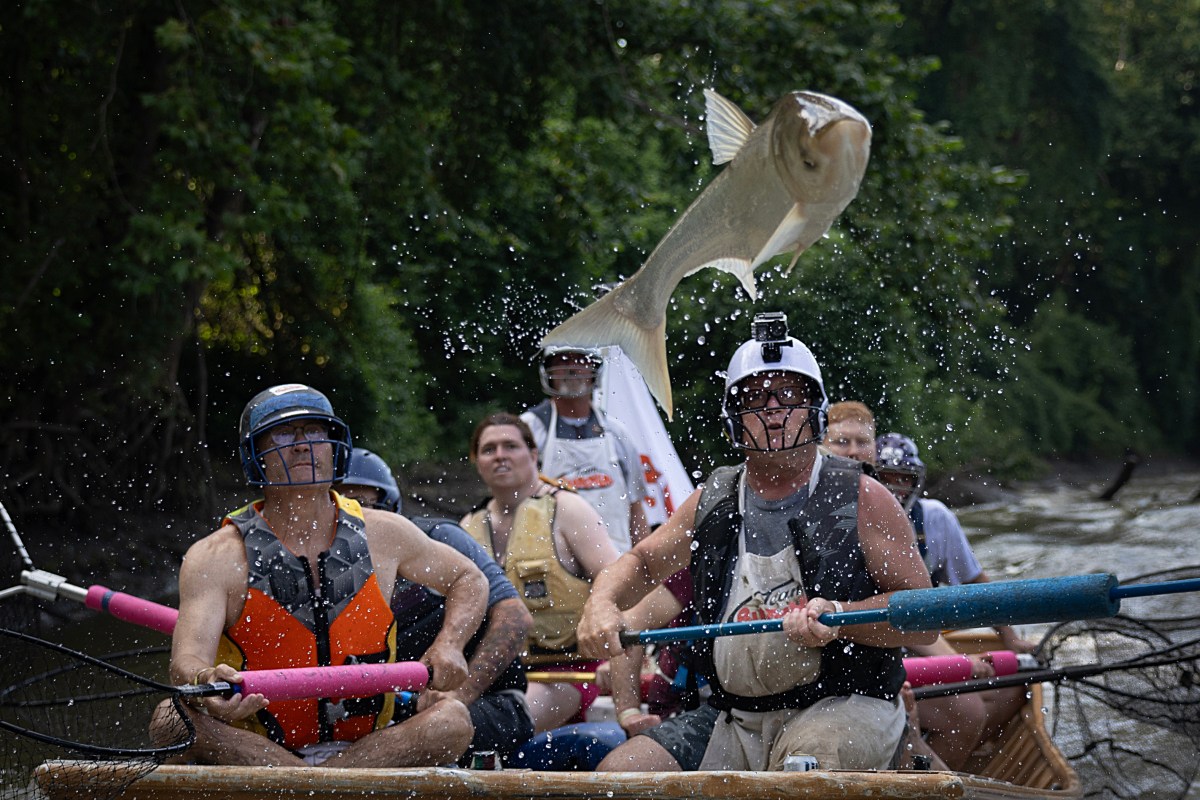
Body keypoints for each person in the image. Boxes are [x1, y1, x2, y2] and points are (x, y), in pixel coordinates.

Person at [577, 312, 936, 772]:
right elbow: (645, 563)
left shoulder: (865, 497)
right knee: (618, 776)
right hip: (735, 717)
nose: (772, 411)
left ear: (815, 411)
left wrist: (842, 618)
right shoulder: (714, 497)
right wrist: (601, 602)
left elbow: (923, 619)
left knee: (801, 778)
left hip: (847, 705)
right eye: (755, 398)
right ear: (732, 416)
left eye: (788, 395)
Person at [160, 384, 489, 768]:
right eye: (284, 434)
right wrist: (206, 682)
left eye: (314, 432)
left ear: (334, 448)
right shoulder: (215, 556)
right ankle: (319, 785)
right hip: (260, 750)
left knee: (452, 720)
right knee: (170, 718)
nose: (302, 445)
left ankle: (315, 785)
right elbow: (186, 662)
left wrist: (450, 644)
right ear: (255, 456)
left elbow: (469, 579)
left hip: (367, 747)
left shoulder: (384, 533)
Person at [336, 447, 536, 765]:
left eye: (361, 505)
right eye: (339, 506)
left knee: (431, 726)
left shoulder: (438, 537)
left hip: (486, 703)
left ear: (390, 507)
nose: (353, 517)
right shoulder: (317, 565)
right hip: (391, 710)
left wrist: (459, 694)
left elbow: (515, 619)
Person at [461, 412, 640, 736]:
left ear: (533, 455)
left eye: (510, 446)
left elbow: (619, 583)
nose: (500, 455)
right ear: (477, 461)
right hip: (492, 674)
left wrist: (614, 658)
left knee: (484, 726)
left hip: (568, 672)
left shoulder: (569, 510)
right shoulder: (468, 525)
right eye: (489, 449)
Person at [873, 432, 1033, 770]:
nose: (896, 488)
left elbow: (977, 586)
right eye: (887, 478)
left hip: (926, 647)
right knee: (968, 711)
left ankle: (944, 758)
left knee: (1015, 689)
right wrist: (961, 664)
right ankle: (928, 768)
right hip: (881, 652)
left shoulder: (934, 519)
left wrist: (1011, 639)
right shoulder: (854, 518)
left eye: (904, 478)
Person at [521, 347, 650, 552]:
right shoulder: (529, 429)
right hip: (550, 563)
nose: (571, 369)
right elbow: (513, 499)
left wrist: (644, 568)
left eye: (579, 361)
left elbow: (635, 508)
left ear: (594, 368)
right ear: (548, 371)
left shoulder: (617, 432)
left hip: (616, 559)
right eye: (562, 361)